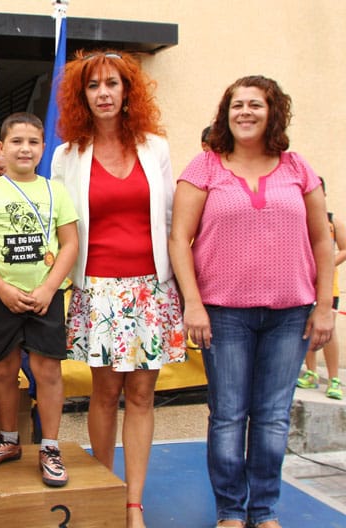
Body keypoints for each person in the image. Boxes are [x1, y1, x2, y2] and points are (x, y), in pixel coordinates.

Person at [169, 75, 334, 528]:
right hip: (224, 313)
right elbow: (179, 239)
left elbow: (322, 241)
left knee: (273, 417)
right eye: (236, 105)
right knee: (227, 416)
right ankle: (230, 511)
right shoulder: (204, 168)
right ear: (225, 114)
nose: (245, 112)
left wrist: (325, 306)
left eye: (255, 104)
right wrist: (193, 303)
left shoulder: (297, 168)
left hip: (291, 313)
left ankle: (263, 511)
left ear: (272, 112)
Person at [50, 50, 186, 527]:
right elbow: (59, 226)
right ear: (81, 96)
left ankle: (132, 504)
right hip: (98, 289)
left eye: (112, 84)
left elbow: (171, 220)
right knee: (104, 395)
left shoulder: (155, 147)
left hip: (152, 289)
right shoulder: (66, 155)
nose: (103, 93)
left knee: (143, 397)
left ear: (128, 91)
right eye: (93, 86)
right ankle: (105, 492)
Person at [0, 112, 79, 487]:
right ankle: (9, 439)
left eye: (32, 142)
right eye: (16, 141)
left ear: (43, 148)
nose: (24, 149)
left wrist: (48, 288)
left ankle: (50, 447)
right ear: (1, 148)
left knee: (48, 371)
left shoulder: (56, 191)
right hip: (3, 297)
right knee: (3, 369)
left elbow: (70, 244)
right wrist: (2, 289)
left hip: (46, 297)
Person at [297, 177, 344, 400]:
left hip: (327, 286)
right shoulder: (298, 218)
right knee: (305, 329)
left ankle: (334, 378)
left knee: (328, 330)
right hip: (304, 285)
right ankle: (311, 372)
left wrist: (325, 264)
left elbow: (344, 249)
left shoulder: (332, 220)